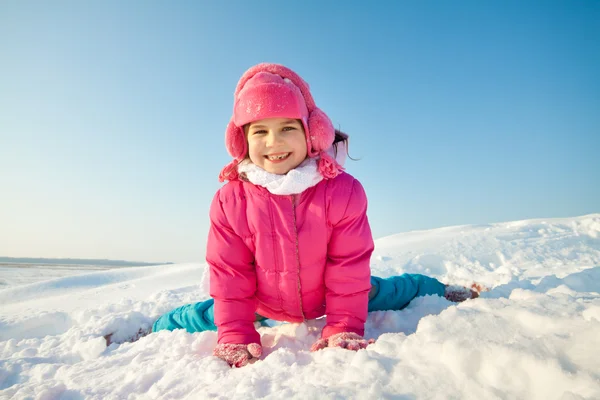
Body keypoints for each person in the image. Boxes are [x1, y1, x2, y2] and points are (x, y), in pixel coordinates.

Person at [148, 63, 479, 367]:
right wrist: (235, 331)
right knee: (206, 315)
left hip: (330, 296)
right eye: (259, 131)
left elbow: (349, 265)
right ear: (243, 140)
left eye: (287, 128)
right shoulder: (230, 200)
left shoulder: (342, 191)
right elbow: (230, 274)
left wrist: (343, 326)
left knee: (396, 291)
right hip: (264, 303)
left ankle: (440, 287)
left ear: (311, 133)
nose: (274, 142)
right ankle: (151, 326)